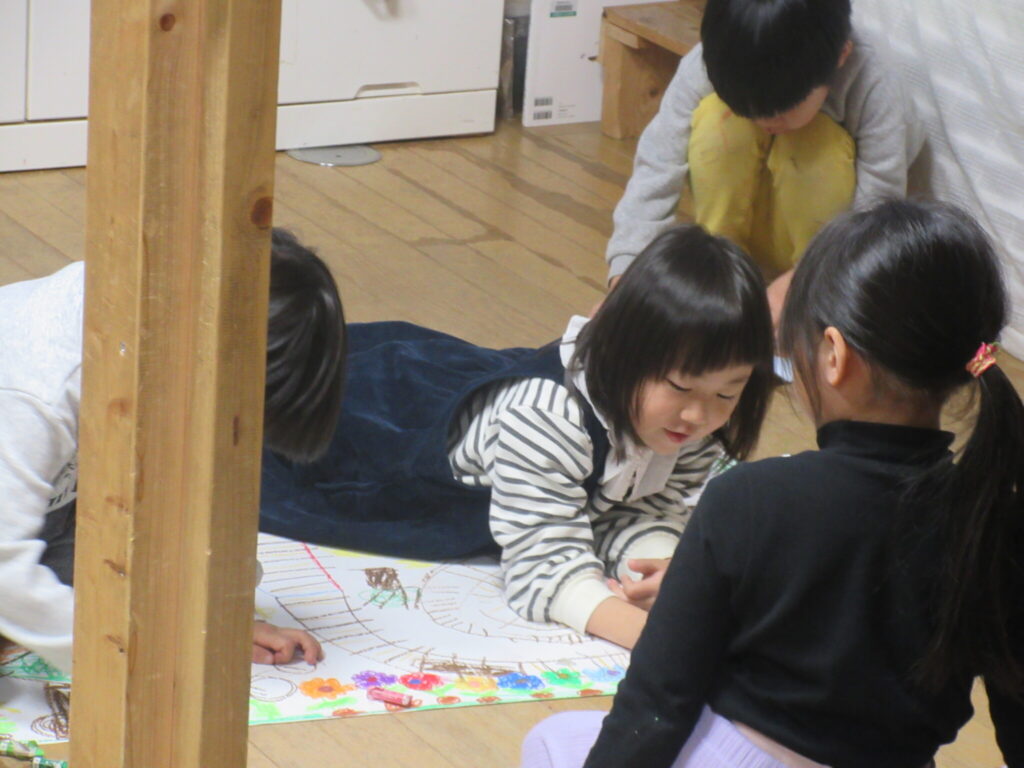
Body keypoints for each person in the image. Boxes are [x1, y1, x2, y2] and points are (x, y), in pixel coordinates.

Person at [519, 199, 1024, 767]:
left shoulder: (751, 498)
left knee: (552, 739)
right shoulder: (995, 525)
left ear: (833, 355)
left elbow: (657, 704)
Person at [260, 224, 775, 649]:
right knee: (264, 440)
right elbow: (542, 568)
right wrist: (666, 640)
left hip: (453, 381)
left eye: (728, 393)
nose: (698, 414)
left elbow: (632, 509)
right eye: (680, 387)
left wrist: (665, 568)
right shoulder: (547, 418)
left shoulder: (688, 420)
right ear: (620, 351)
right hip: (375, 429)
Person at [0, 228, 346, 673]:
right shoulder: (38, 387)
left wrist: (208, 625)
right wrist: (145, 655)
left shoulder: (161, 319)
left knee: (130, 575)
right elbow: (6, 567)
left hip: (48, 508)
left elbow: (169, 516)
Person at [606, 0, 924, 323]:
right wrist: (625, 277)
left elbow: (876, 213)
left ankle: (807, 287)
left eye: (782, 111)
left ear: (841, 56)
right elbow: (657, 167)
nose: (765, 122)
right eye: (748, 110)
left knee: (816, 142)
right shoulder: (718, 59)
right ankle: (722, 264)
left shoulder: (876, 84)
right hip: (742, 222)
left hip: (825, 250)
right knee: (718, 121)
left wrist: (805, 278)